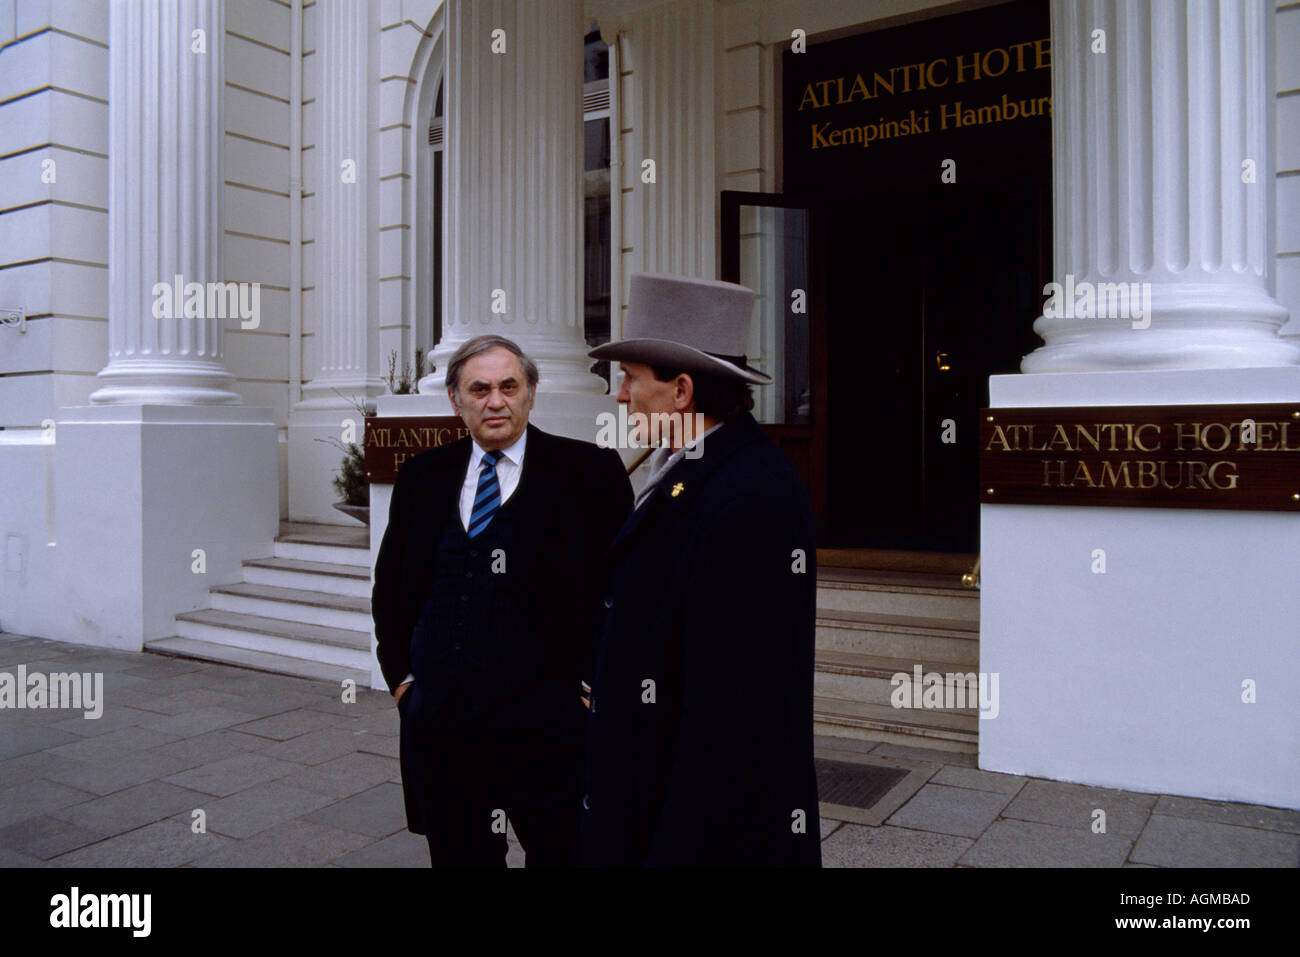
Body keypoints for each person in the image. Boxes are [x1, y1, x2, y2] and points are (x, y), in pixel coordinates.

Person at [580, 272, 822, 867]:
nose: (619, 395)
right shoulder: (695, 469)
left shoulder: (746, 499)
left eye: (631, 379)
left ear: (682, 391)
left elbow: (733, 723)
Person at [372, 334, 632, 867]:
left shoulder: (589, 473)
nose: (496, 401)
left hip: (550, 728)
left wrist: (592, 686)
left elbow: (624, 593)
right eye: (480, 389)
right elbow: (393, 589)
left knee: (566, 855)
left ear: (531, 394)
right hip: (443, 727)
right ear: (456, 400)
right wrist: (402, 682)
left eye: (509, 386)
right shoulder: (423, 476)